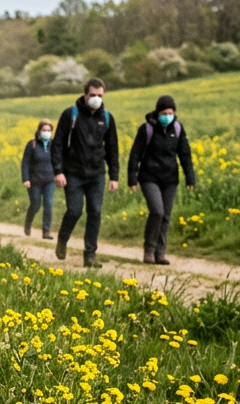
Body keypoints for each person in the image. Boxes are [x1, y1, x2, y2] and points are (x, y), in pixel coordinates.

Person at [50, 77, 120, 268]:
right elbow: (57, 144)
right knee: (74, 211)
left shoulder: (106, 118)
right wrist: (58, 171)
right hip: (73, 173)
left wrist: (114, 176)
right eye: (92, 95)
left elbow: (112, 148)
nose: (96, 99)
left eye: (99, 95)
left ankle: (90, 255)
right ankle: (62, 240)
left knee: (95, 212)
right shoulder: (70, 115)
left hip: (97, 174)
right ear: (85, 94)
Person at [127, 95, 196, 265]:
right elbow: (135, 153)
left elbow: (185, 154)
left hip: (170, 178)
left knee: (165, 215)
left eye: (170, 112)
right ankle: (149, 250)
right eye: (164, 113)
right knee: (157, 211)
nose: (167, 116)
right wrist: (132, 178)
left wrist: (190, 177)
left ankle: (160, 253)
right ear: (157, 113)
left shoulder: (178, 129)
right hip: (149, 177)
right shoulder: (147, 129)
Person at [21, 119, 56, 239]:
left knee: (49, 204)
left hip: (49, 180)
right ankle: (28, 223)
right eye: (44, 130)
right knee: (35, 204)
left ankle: (46, 231)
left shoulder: (54, 145)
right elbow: (25, 163)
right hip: (34, 180)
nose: (46, 132)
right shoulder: (32, 144)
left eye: (49, 130)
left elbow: (59, 162)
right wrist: (26, 178)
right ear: (39, 131)